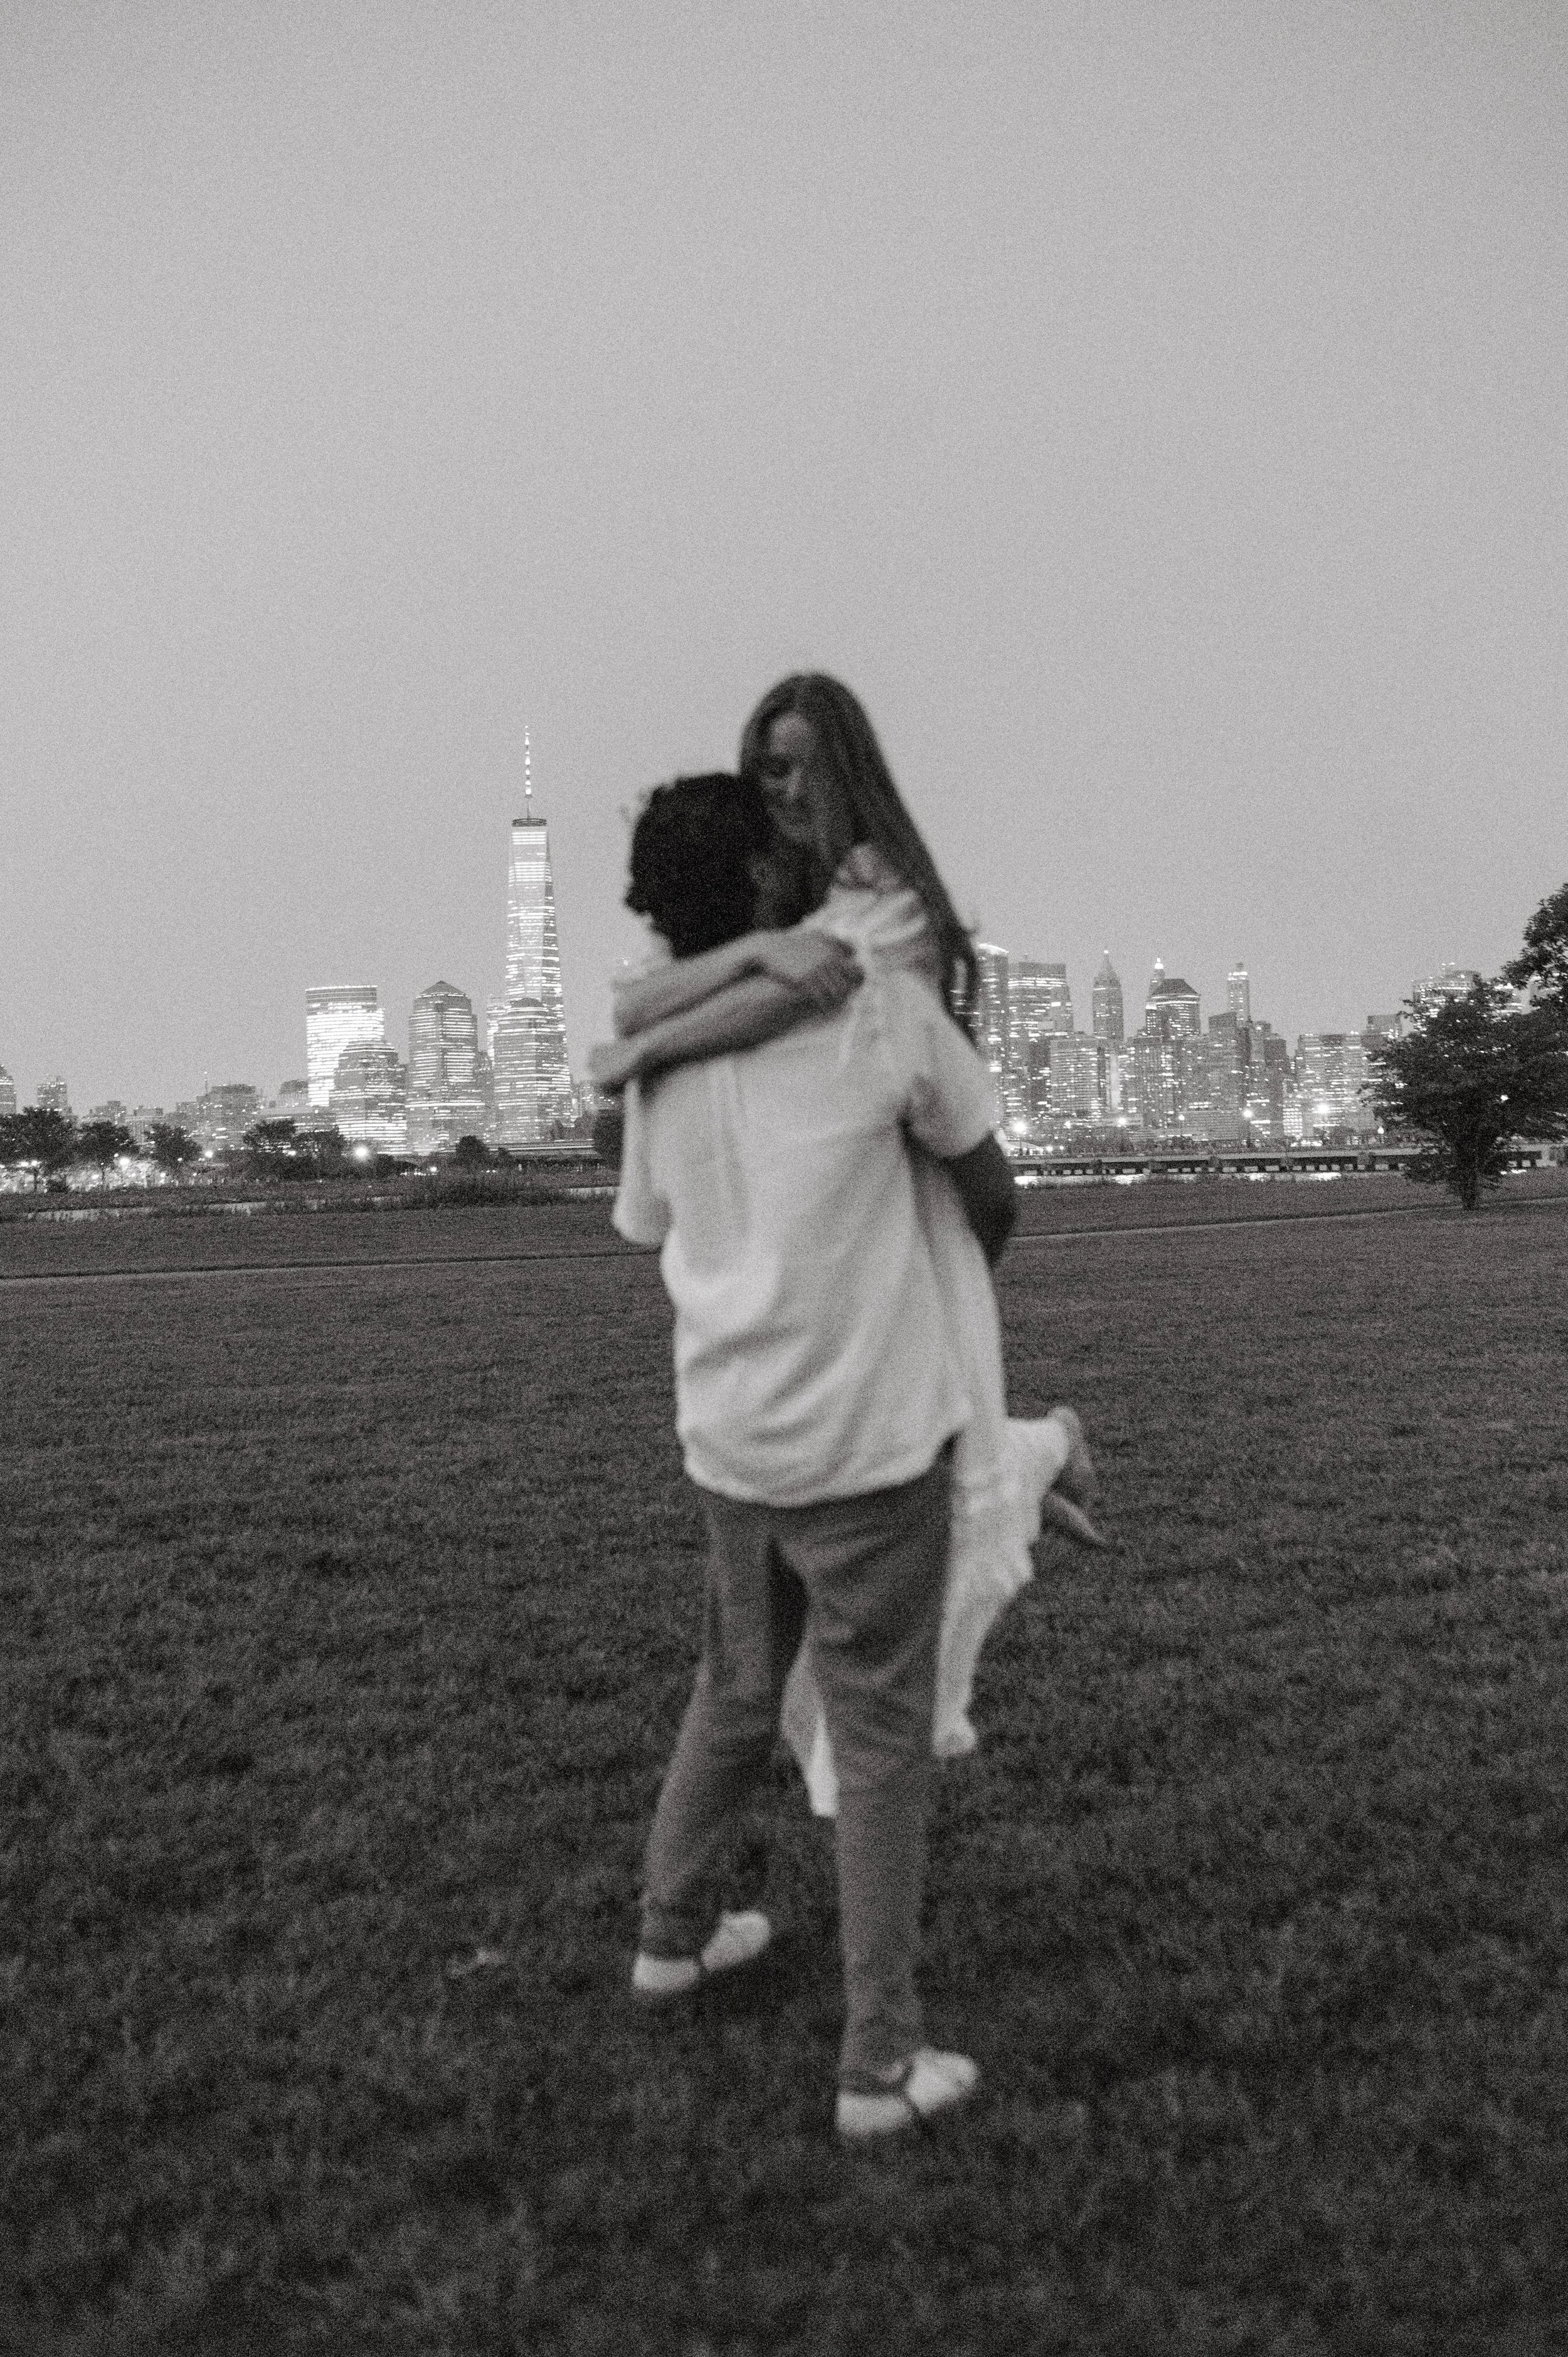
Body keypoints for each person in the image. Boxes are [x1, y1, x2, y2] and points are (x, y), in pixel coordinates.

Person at [593, 676, 1104, 1816]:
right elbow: (650, 1001)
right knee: (920, 1477)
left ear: (851, 771)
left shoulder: (882, 902)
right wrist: (732, 971)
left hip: (906, 1202)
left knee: (929, 1487)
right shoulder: (788, 910)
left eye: (803, 765)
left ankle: (866, 1764)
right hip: (845, 1202)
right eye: (765, 766)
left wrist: (646, 1049)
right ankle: (1042, 1456)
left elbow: (781, 1004)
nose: (782, 788)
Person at [613, 770, 1018, 2139]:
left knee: (734, 1687)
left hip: (729, 1437)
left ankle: (671, 1936)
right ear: (767, 890)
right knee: (881, 1738)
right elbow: (983, 1171)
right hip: (864, 1441)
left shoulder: (663, 1060)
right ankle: (877, 2064)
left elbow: (642, 1223)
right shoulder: (881, 1013)